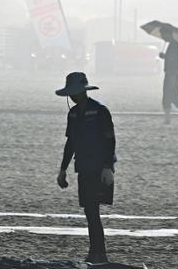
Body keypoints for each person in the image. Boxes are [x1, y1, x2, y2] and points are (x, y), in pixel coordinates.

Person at [55, 72, 116, 265]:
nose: (72, 96)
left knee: (93, 211)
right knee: (90, 212)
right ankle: (95, 252)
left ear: (84, 91)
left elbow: (110, 140)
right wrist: (63, 169)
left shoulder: (100, 111)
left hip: (99, 168)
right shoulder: (72, 114)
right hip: (83, 168)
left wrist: (108, 167)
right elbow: (70, 143)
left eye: (75, 92)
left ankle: (99, 253)